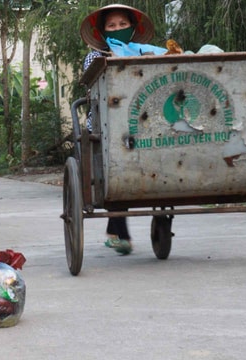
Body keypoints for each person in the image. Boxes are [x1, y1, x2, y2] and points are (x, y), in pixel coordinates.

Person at [80, 4, 156, 255]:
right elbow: (95, 89)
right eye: (111, 26)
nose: (118, 29)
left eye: (123, 24)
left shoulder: (144, 52)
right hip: (105, 125)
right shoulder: (94, 57)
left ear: (132, 28)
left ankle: (116, 231)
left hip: (140, 123)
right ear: (102, 32)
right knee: (118, 166)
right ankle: (119, 232)